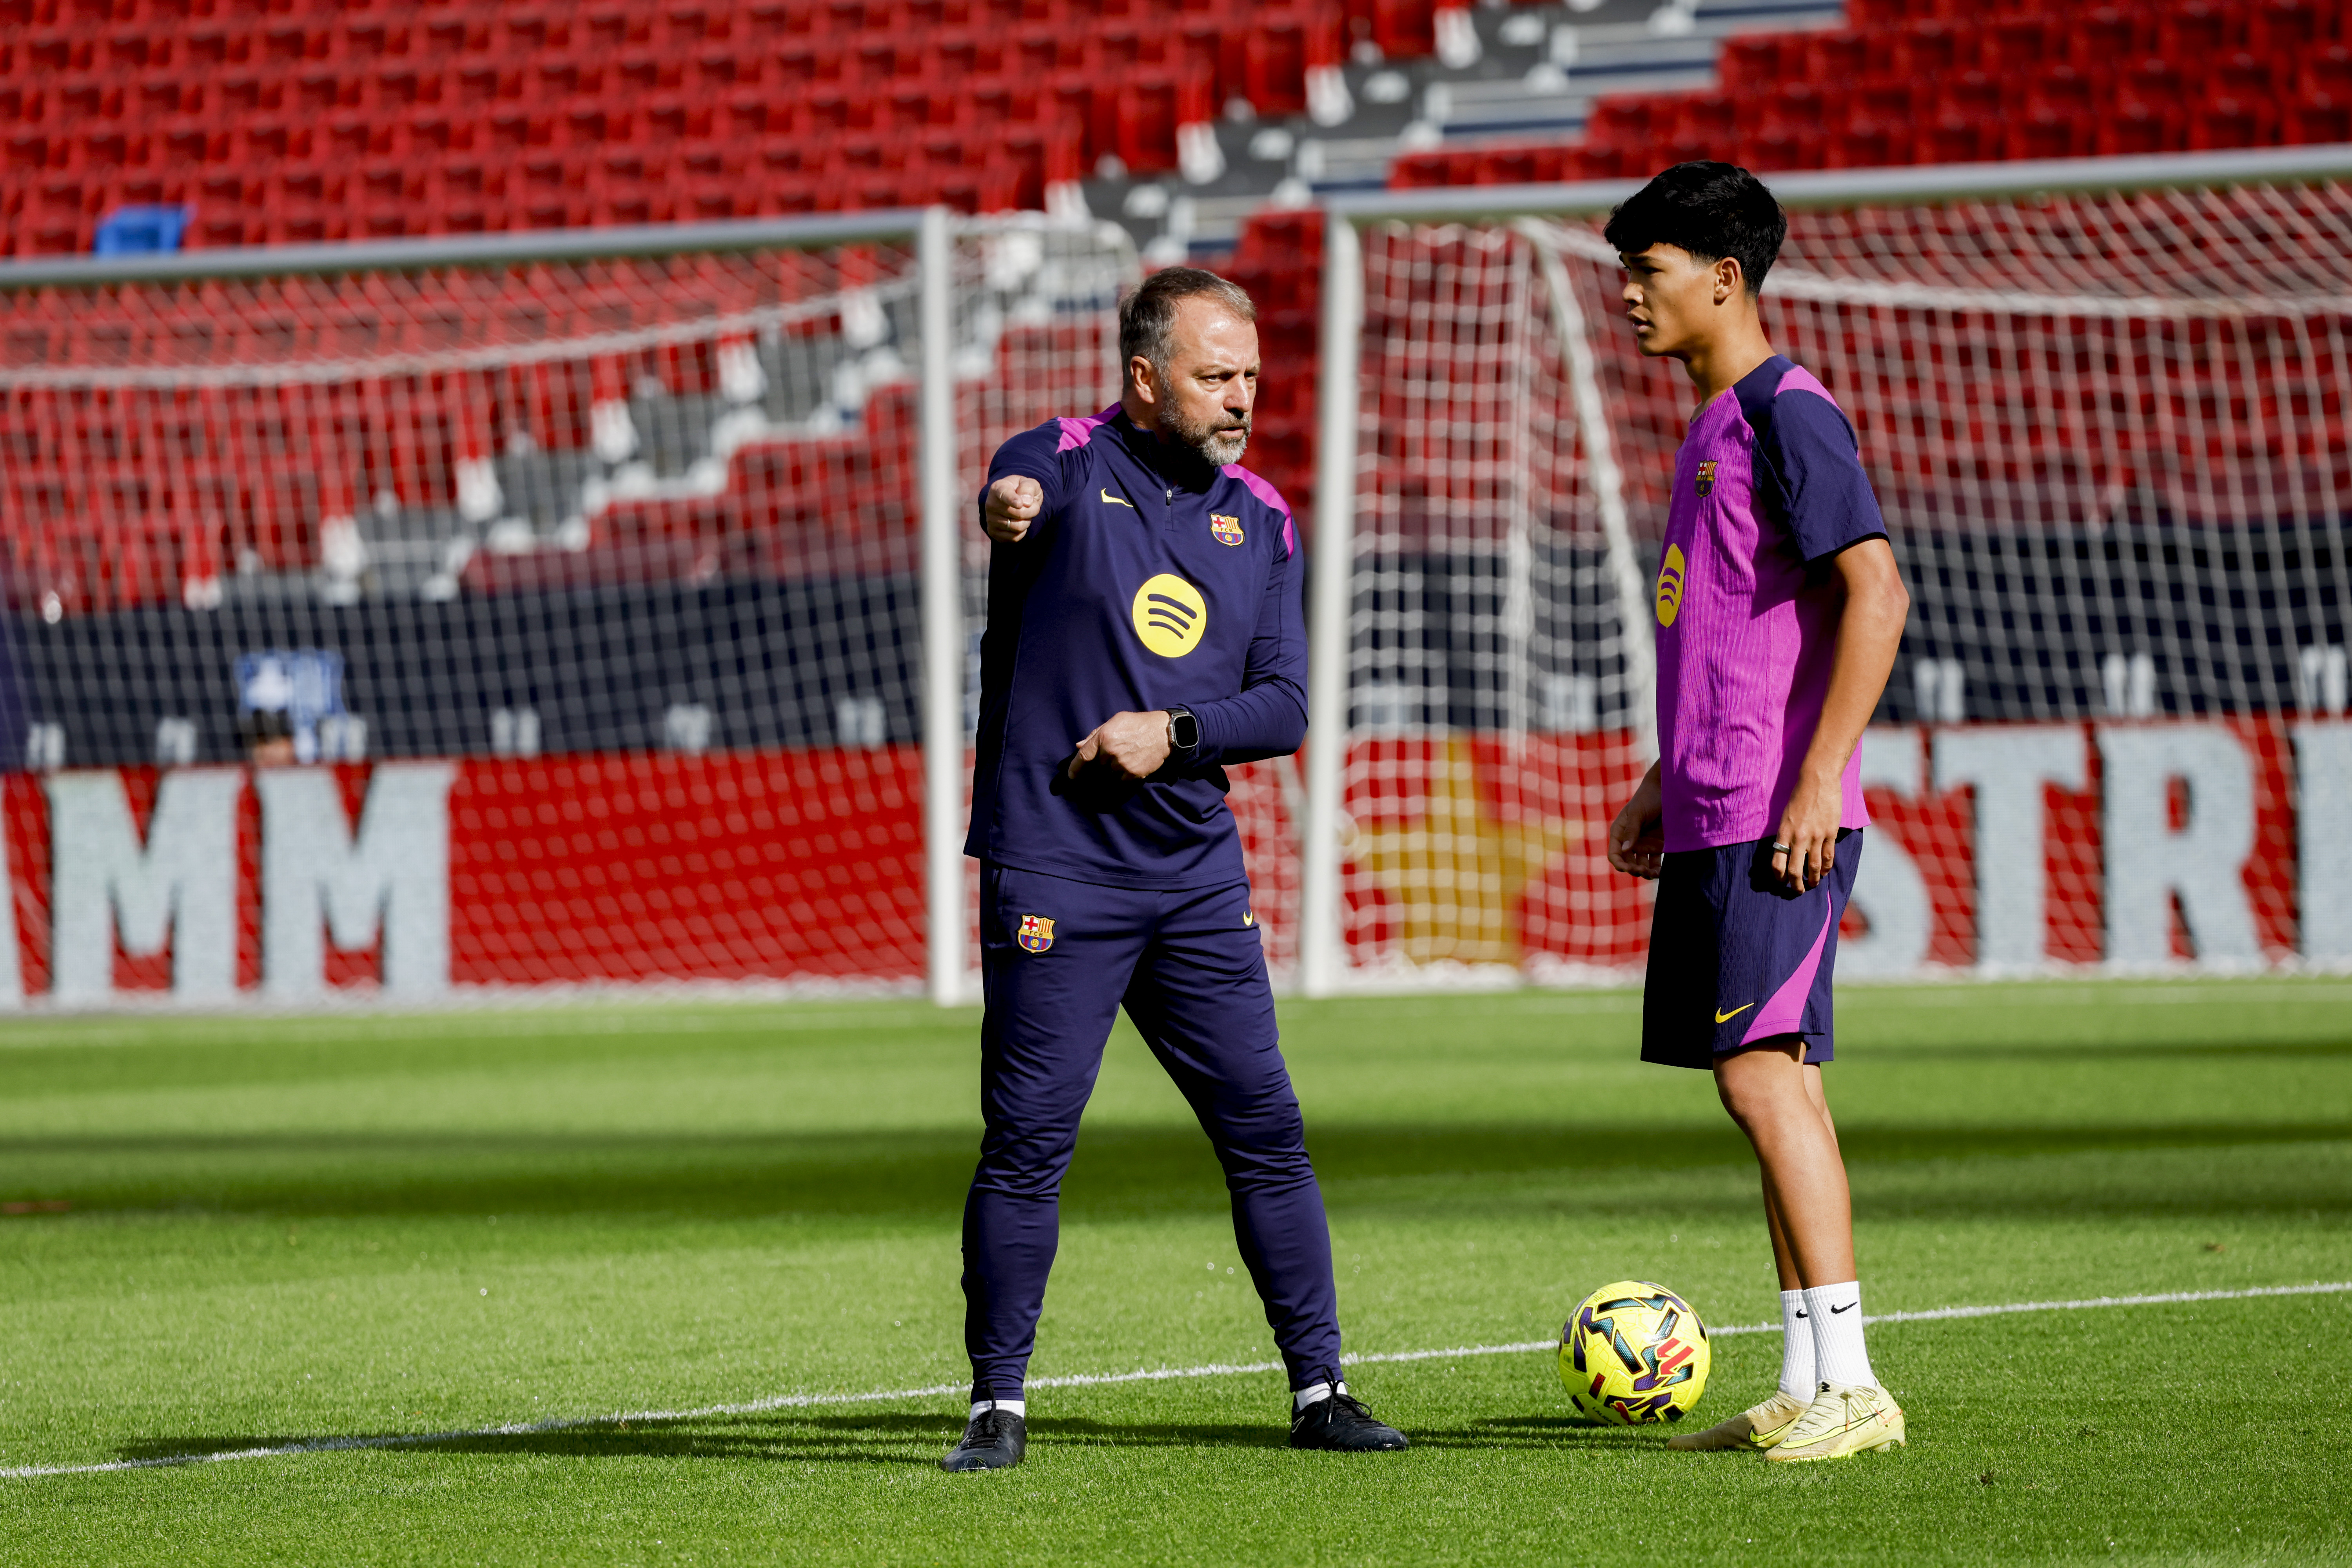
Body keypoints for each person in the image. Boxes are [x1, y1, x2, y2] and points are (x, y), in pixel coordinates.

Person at [938, 267, 1409, 1472]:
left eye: (1250, 374)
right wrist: (1005, 507)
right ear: (1146, 381)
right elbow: (1014, 488)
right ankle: (998, 1405)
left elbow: (1286, 705)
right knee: (1031, 1138)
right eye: (1216, 375)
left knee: (1267, 1129)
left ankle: (1321, 1390)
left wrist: (1175, 733)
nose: (1243, 396)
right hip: (1059, 869)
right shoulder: (1065, 460)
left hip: (1195, 880)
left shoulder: (1263, 520)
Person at [1599, 163, 1913, 1463]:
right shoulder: (1713, 422)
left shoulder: (1791, 412)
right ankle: (1808, 1379)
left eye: (1649, 271)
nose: (1627, 297)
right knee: (1774, 1082)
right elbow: (1733, 629)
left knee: (1757, 1079)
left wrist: (1817, 779)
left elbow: (1877, 594)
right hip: (1718, 802)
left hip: (1777, 815)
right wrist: (1666, 778)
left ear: (1723, 277)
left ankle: (1855, 1384)